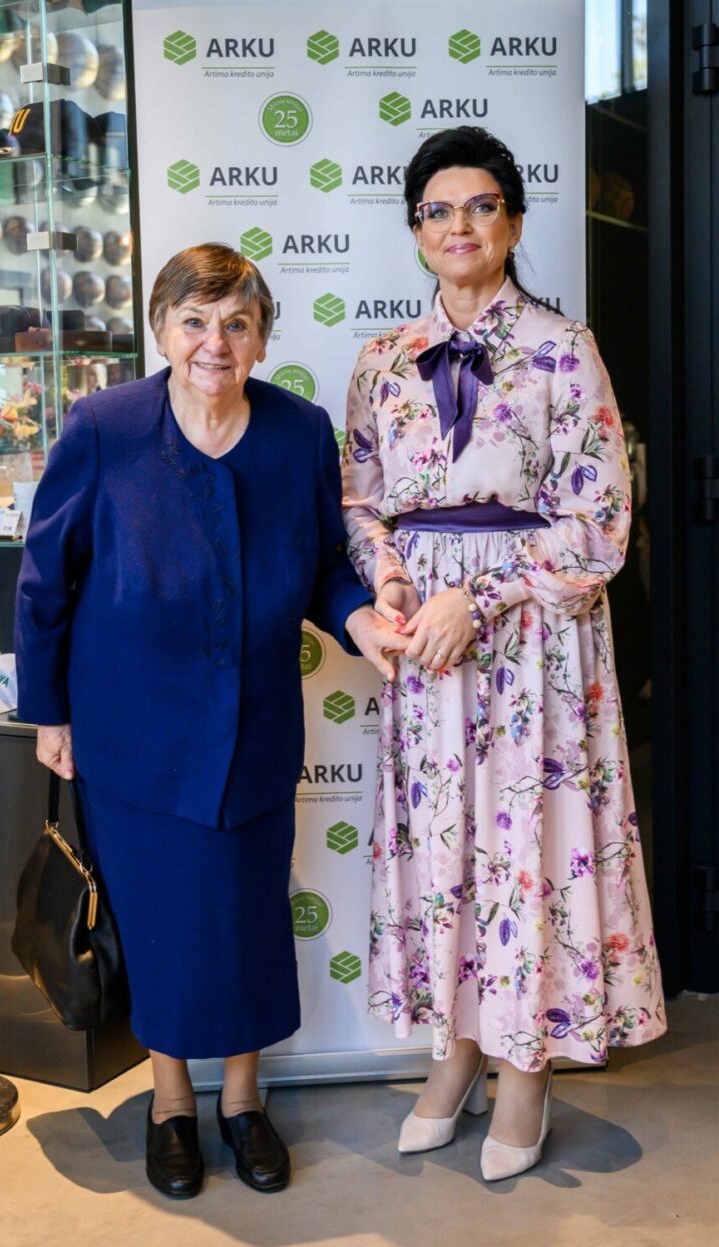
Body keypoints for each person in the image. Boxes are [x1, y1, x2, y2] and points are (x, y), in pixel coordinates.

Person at [16, 243, 405, 1199]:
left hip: (256, 726)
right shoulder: (105, 425)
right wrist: (48, 711)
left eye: (236, 323)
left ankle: (242, 1099)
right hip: (131, 730)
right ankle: (170, 1104)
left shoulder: (298, 431)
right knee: (157, 922)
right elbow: (45, 578)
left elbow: (324, 563)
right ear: (162, 330)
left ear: (262, 336)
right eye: (194, 321)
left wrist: (361, 617)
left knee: (246, 919)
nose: (214, 343)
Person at [342, 127, 666, 1182]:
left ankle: (527, 1064)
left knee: (529, 845)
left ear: (514, 223)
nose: (458, 225)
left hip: (532, 645)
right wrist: (390, 579)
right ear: (415, 231)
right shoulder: (381, 359)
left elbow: (601, 522)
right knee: (450, 854)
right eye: (436, 210)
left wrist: (474, 598)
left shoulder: (565, 347)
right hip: (427, 658)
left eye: (479, 205)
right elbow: (359, 499)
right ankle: (458, 1049)